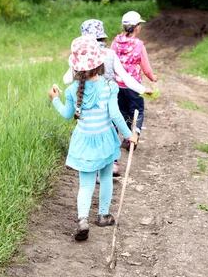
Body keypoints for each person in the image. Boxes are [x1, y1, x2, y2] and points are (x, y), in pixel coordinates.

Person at [49, 35, 138, 242]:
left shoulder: (72, 91)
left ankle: (82, 220)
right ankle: (103, 215)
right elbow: (115, 115)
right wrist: (129, 135)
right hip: (105, 140)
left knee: (86, 185)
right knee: (106, 178)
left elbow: (65, 114)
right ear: (99, 64)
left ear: (76, 68)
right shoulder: (109, 86)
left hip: (84, 141)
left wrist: (55, 100)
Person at [62, 19, 152, 176]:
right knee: (110, 132)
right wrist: (143, 89)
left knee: (89, 132)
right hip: (108, 103)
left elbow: (66, 80)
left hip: (87, 105)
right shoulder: (110, 55)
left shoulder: (81, 57)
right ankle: (112, 164)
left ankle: (90, 165)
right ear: (102, 36)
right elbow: (126, 78)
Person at [111, 10, 158, 147]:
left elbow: (110, 60)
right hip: (133, 85)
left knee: (123, 111)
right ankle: (135, 135)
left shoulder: (115, 41)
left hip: (117, 84)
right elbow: (146, 67)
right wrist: (152, 78)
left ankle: (126, 137)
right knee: (138, 110)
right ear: (137, 27)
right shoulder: (138, 44)